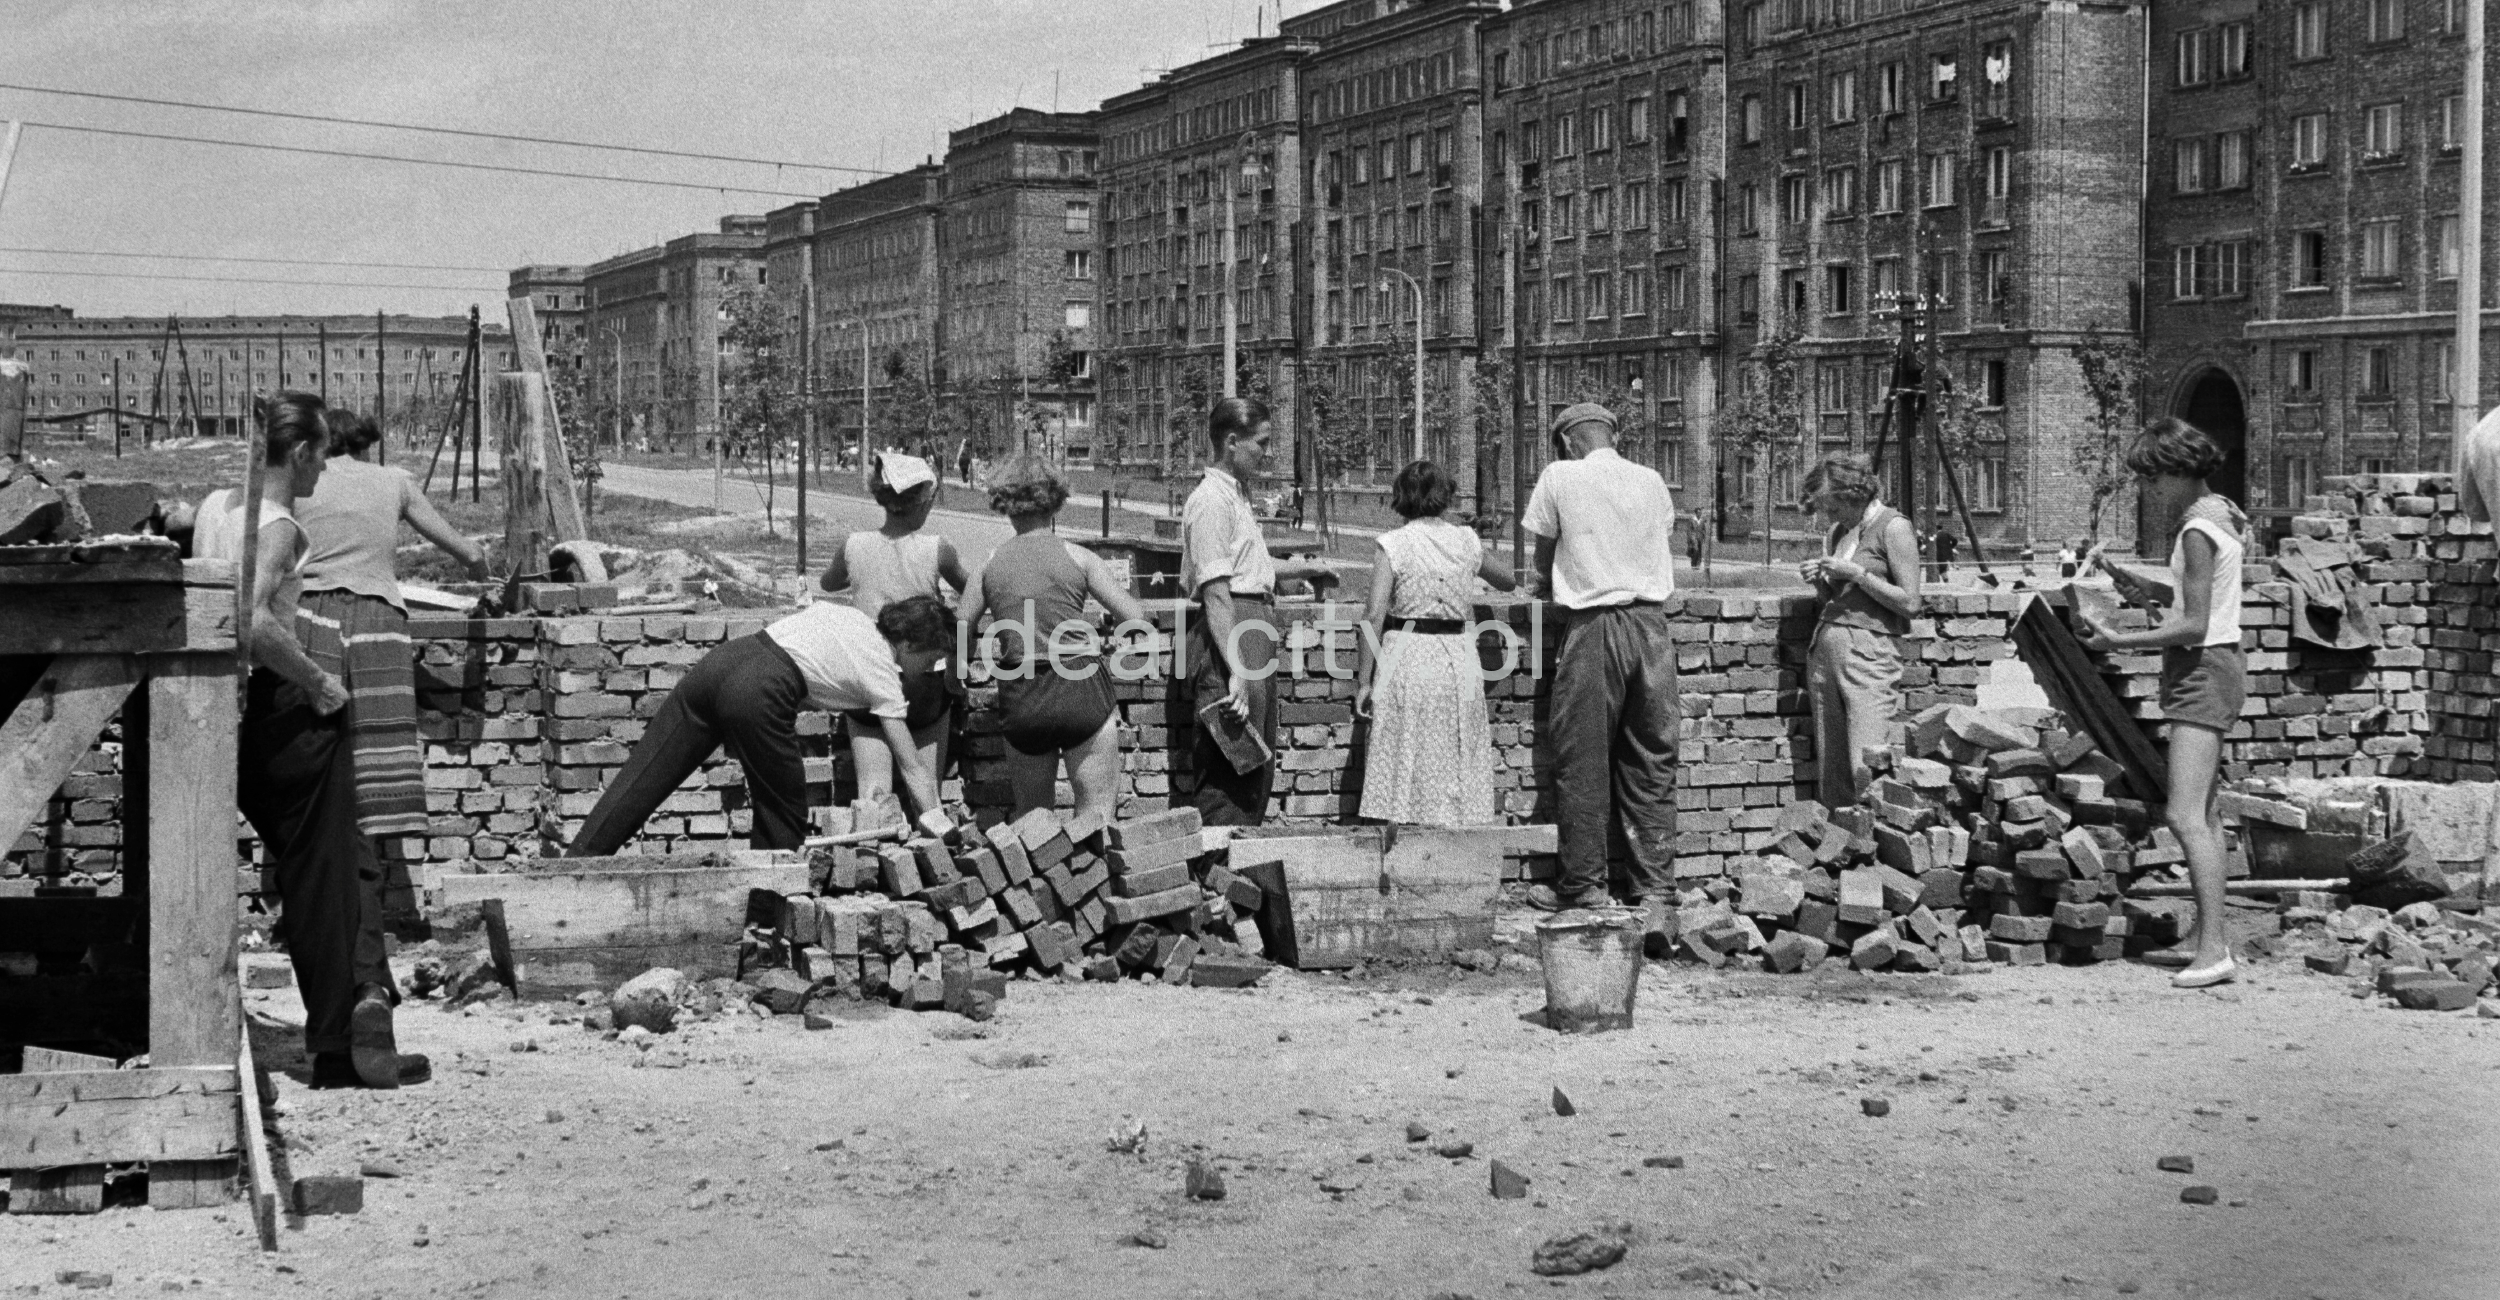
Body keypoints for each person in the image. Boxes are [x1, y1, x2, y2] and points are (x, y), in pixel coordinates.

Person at [194, 393, 416, 1089]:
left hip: (219, 712)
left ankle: (344, 1032)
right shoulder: (280, 525)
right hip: (280, 705)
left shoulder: (215, 507)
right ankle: (338, 1045)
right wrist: (319, 682)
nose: (329, 466)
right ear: (301, 454)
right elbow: (253, 621)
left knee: (307, 870)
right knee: (327, 879)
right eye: (323, 452)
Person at [570, 594, 958, 855]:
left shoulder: (851, 616)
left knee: (643, 778)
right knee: (784, 813)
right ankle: (762, 925)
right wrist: (937, 824)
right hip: (761, 691)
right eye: (932, 659)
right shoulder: (882, 673)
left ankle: (573, 866)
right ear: (908, 646)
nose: (930, 669)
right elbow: (911, 765)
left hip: (720, 664)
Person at [2075, 418, 2247, 990]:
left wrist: (2117, 640)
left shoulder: (2196, 529)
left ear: (2176, 471)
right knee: (2207, 814)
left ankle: (2215, 950)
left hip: (2203, 668)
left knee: (2181, 813)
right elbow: (2195, 598)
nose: (2148, 491)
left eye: (2151, 480)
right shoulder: (2219, 511)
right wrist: (2133, 582)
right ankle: (2206, 934)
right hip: (2213, 665)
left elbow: (2194, 624)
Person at [295, 410, 490, 849]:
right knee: (379, 751)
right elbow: (467, 552)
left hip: (308, 617)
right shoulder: (394, 481)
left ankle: (315, 850)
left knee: (313, 743)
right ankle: (377, 845)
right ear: (366, 443)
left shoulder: (302, 479)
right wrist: (487, 576)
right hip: (378, 619)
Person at [1519, 402, 1681, 916]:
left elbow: (1543, 548)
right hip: (1653, 627)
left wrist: (1543, 580)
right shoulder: (1652, 479)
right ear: (1612, 436)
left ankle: (1584, 885)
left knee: (1583, 757)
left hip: (1595, 628)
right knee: (1651, 757)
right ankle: (1654, 890)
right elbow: (1660, 537)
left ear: (1568, 440)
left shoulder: (1560, 474)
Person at [960, 457, 1148, 827]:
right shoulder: (1079, 557)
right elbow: (1136, 619)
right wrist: (1108, 642)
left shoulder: (990, 564)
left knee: (1033, 825)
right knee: (1095, 819)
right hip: (1080, 687)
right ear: (1057, 502)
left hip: (1023, 692)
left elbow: (962, 624)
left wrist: (960, 671)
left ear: (1004, 504)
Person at [1182, 396, 1342, 826]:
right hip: (1232, 633)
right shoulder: (1211, 501)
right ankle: (1221, 876)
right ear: (1232, 442)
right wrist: (1235, 668)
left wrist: (1305, 567)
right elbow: (1216, 593)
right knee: (1232, 764)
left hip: (1250, 629)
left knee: (1255, 764)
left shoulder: (1234, 497)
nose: (1268, 453)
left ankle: (1241, 879)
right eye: (1262, 443)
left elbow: (1249, 567)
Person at [1353, 460, 1515, 824]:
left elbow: (1374, 615)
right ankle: (1451, 838)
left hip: (1407, 654)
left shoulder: (1393, 543)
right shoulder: (1465, 540)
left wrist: (1364, 681)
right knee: (1455, 751)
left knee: (1404, 747)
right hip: (1457, 656)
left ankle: (1404, 831)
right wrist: (1468, 541)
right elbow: (1506, 580)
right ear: (1446, 496)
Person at [819, 452, 970, 810]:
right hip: (924, 682)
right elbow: (971, 592)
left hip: (869, 678)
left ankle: (871, 857)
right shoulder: (938, 549)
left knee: (873, 793)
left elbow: (829, 583)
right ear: (922, 500)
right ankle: (933, 854)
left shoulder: (854, 544)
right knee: (927, 791)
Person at [1796, 454, 1923, 806]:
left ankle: (1875, 845)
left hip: (1870, 655)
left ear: (1849, 494)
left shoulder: (1893, 527)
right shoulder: (1839, 533)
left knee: (1864, 763)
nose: (1826, 514)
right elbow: (1833, 601)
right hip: (1826, 650)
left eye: (1829, 505)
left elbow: (1910, 602)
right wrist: (1821, 583)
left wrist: (1856, 574)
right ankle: (1841, 848)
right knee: (1833, 768)